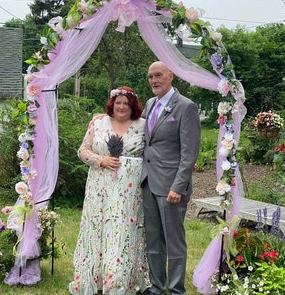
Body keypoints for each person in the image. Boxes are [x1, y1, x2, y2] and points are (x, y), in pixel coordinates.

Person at [69, 86, 149, 295]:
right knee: (98, 228)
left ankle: (121, 280)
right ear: (112, 104)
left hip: (129, 191)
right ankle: (94, 279)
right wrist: (100, 160)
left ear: (133, 106)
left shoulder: (144, 126)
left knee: (123, 231)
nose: (122, 106)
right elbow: (82, 151)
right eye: (118, 102)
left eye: (126, 103)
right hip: (99, 187)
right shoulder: (98, 123)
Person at [141, 61, 201, 295]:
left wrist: (178, 186)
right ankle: (157, 287)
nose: (154, 80)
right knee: (154, 240)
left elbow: (189, 153)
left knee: (174, 241)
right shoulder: (150, 104)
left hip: (172, 188)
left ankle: (176, 289)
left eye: (158, 75)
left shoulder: (186, 107)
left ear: (170, 76)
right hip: (149, 183)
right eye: (150, 77)